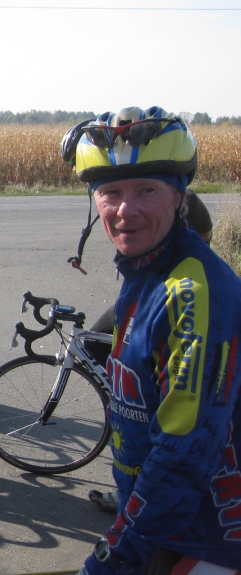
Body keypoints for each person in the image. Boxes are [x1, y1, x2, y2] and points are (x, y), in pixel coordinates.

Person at [61, 106, 241, 575]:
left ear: (180, 197)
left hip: (201, 544)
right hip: (160, 530)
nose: (126, 210)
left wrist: (114, 557)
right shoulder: (147, 271)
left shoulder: (193, 293)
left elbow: (183, 456)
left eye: (146, 190)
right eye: (110, 192)